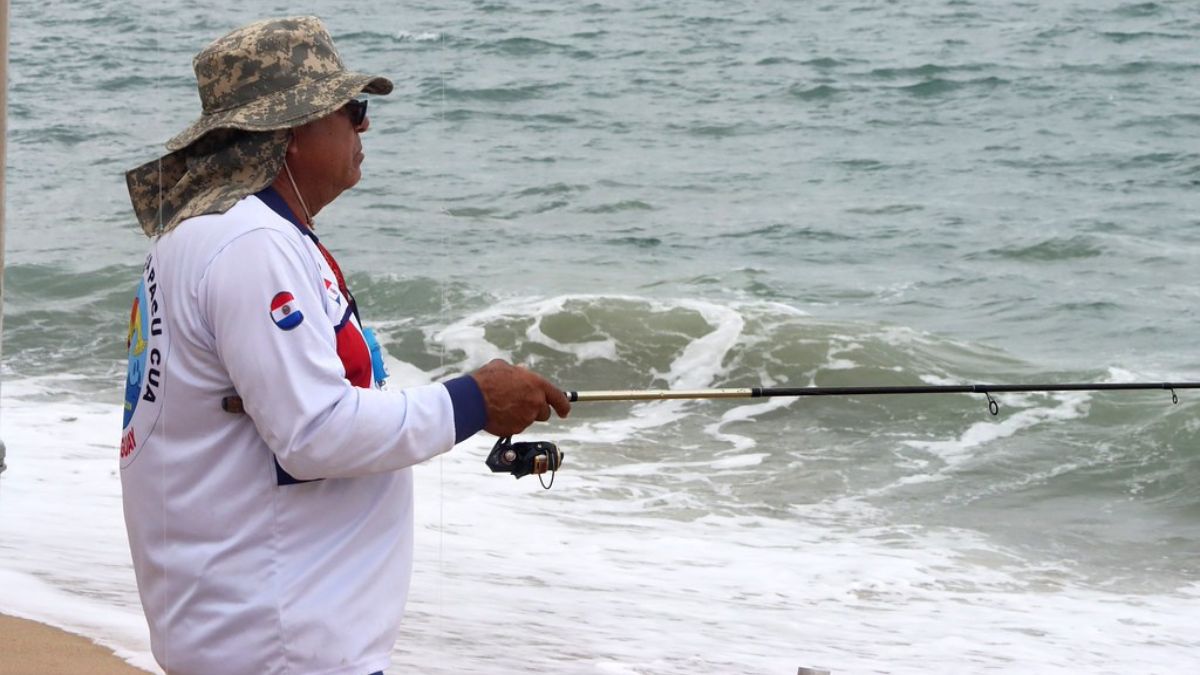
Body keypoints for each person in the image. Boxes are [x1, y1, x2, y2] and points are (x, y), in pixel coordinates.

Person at [120, 16, 570, 675]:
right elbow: (315, 432)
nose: (363, 126)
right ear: (290, 131)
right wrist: (473, 401)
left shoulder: (209, 234)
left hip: (248, 629)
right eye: (351, 110)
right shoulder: (250, 244)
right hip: (279, 642)